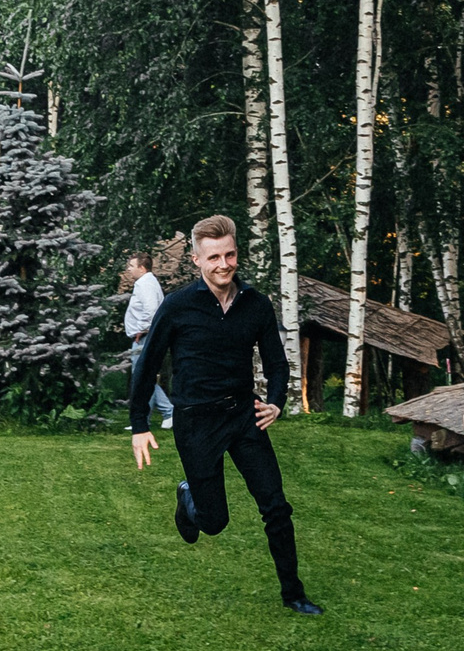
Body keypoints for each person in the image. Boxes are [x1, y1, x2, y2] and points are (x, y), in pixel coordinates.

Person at [127, 215, 321, 615]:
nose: (224, 264)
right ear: (197, 260)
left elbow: (277, 363)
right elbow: (147, 365)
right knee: (214, 522)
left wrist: (276, 401)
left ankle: (293, 594)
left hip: (243, 417)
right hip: (196, 421)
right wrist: (140, 426)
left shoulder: (255, 305)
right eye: (213, 256)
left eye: (230, 254)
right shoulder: (178, 307)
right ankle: (188, 494)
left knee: (276, 507)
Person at [122, 249, 173, 431]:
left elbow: (151, 311)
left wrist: (141, 330)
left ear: (142, 268)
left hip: (143, 338)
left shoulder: (145, 284)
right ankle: (145, 418)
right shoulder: (146, 282)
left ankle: (169, 412)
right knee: (144, 377)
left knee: (142, 378)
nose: (128, 269)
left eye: (131, 266)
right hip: (143, 336)